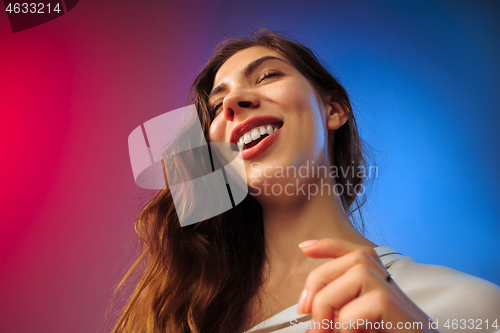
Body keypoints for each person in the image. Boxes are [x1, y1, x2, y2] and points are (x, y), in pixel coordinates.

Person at [113, 30, 500, 333]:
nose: (233, 103)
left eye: (267, 76)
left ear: (333, 110)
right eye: (217, 106)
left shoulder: (473, 308)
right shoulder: (181, 313)